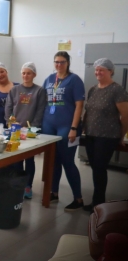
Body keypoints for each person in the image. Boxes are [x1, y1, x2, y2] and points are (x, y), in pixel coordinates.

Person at [83, 58, 128, 213]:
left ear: (110, 71)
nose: (98, 72)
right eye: (96, 69)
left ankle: (98, 204)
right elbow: (88, 111)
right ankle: (97, 201)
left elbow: (125, 116)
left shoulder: (117, 90)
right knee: (95, 167)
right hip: (91, 134)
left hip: (108, 136)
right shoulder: (93, 89)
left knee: (100, 168)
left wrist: (121, 137)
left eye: (101, 70)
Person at [42, 51, 85, 211]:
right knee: (53, 161)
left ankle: (78, 198)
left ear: (68, 63)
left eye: (62, 62)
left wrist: (74, 128)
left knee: (68, 162)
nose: (59, 65)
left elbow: (79, 105)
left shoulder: (74, 80)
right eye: (56, 62)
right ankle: (54, 192)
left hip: (67, 126)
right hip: (49, 125)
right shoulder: (49, 79)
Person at [5, 62, 47, 200]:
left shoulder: (39, 91)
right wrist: (11, 123)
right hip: (15, 130)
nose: (25, 75)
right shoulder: (14, 90)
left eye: (28, 73)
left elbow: (40, 110)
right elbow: (9, 108)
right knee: (16, 159)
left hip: (30, 131)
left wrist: (32, 128)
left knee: (29, 159)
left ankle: (28, 186)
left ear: (34, 75)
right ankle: (18, 185)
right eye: (23, 73)